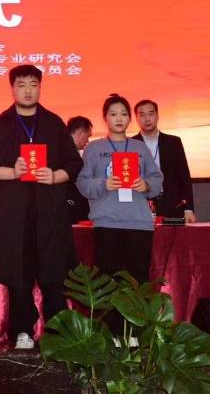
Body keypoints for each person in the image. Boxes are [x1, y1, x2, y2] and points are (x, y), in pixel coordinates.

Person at [0, 64, 83, 350]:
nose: (27, 90)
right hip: (15, 216)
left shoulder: (53, 123)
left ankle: (59, 333)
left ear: (40, 88)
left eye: (33, 84)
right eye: (22, 85)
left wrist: (55, 175)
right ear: (12, 89)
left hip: (50, 215)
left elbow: (74, 163)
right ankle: (22, 330)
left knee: (54, 277)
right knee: (19, 278)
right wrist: (12, 172)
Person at [77, 94, 163, 308]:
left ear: (129, 119)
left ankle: (136, 327)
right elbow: (82, 183)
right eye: (113, 114)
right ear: (105, 118)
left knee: (138, 282)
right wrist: (104, 184)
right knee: (108, 282)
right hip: (107, 223)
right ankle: (111, 328)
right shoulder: (94, 149)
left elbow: (157, 178)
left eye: (124, 114)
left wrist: (147, 185)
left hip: (139, 224)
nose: (119, 118)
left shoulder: (139, 147)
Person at [132, 99, 196, 223]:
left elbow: (184, 176)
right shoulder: (130, 144)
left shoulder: (173, 142)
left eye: (151, 113)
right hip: (141, 204)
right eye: (142, 115)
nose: (147, 119)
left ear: (157, 116)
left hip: (172, 205)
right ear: (136, 119)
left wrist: (188, 208)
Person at [65, 116, 93, 224]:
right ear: (80, 132)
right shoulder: (65, 153)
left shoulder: (71, 153)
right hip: (70, 208)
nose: (88, 140)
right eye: (88, 136)